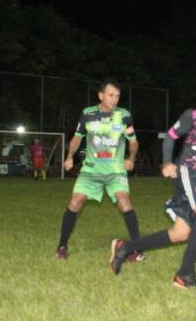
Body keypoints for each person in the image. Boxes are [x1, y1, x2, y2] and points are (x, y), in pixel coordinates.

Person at [109, 81, 196, 289]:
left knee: (180, 233)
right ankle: (185, 275)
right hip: (187, 169)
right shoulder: (195, 116)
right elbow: (171, 136)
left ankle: (125, 247)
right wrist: (167, 162)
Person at [56, 80, 144, 261]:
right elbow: (77, 137)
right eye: (111, 95)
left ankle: (137, 250)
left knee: (124, 201)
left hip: (115, 171)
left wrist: (131, 159)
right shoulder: (87, 114)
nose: (114, 99)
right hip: (91, 170)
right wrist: (70, 156)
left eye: (118, 96)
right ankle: (62, 247)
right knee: (75, 202)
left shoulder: (124, 115)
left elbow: (133, 141)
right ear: (101, 95)